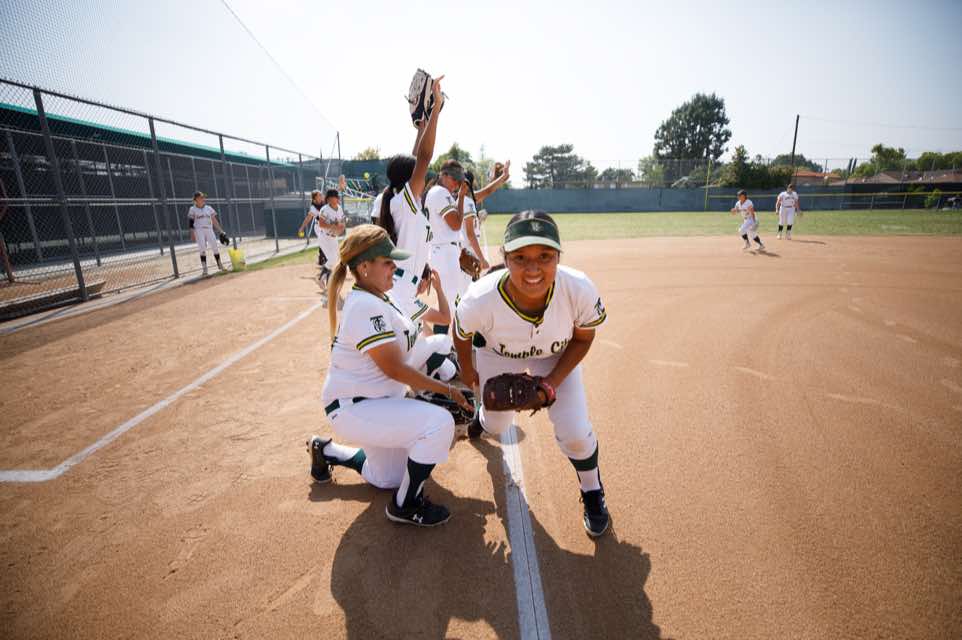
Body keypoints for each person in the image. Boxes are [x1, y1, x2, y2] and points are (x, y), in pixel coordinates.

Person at [452, 210, 612, 537]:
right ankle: (481, 420)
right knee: (498, 424)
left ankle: (592, 490)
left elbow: (583, 338)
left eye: (545, 256)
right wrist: (469, 372)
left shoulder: (578, 288)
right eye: (520, 257)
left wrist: (550, 385)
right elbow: (460, 333)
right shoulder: (480, 298)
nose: (533, 268)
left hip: (555, 356)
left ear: (559, 256)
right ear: (505, 258)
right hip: (499, 353)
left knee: (575, 431)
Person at [306, 224, 472, 527]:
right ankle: (406, 506)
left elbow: (409, 351)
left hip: (378, 399)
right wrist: (446, 391)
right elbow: (395, 368)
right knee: (438, 424)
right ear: (364, 267)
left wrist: (424, 389)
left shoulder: (384, 295)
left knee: (388, 478)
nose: (394, 267)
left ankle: (327, 451)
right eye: (387, 262)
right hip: (355, 407)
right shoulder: (364, 306)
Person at [377, 76, 445, 318]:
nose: (424, 176)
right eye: (417, 173)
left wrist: (421, 126)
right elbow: (424, 157)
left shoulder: (404, 202)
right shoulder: (403, 203)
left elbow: (418, 158)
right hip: (399, 290)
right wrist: (436, 109)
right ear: (410, 179)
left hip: (405, 287)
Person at [425, 159, 469, 334]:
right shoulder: (440, 192)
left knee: (448, 300)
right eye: (454, 179)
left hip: (443, 250)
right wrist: (461, 198)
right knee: (448, 303)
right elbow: (456, 224)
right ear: (443, 175)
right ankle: (439, 345)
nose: (457, 183)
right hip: (443, 252)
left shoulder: (439, 193)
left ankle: (441, 341)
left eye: (459, 180)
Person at [460, 162, 511, 294]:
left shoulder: (463, 199)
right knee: (467, 292)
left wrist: (503, 177)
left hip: (463, 252)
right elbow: (470, 234)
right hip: (467, 254)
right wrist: (482, 259)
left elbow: (488, 190)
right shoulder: (467, 201)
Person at [297, 189, 345, 288]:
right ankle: (321, 278)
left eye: (336, 197)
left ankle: (327, 279)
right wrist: (334, 226)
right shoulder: (323, 209)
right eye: (319, 195)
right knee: (332, 259)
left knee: (335, 259)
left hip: (333, 237)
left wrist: (340, 228)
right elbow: (321, 224)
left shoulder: (339, 208)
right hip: (324, 236)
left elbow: (342, 222)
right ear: (329, 199)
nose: (337, 199)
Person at [187, 191, 227, 276]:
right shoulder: (192, 209)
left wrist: (221, 231)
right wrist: (192, 233)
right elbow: (191, 223)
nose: (203, 198)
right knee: (202, 248)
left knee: (215, 246)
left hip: (209, 229)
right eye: (201, 197)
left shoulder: (209, 208)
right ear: (196, 199)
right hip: (199, 230)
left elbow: (214, 221)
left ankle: (220, 264)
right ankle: (205, 269)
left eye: (203, 197)